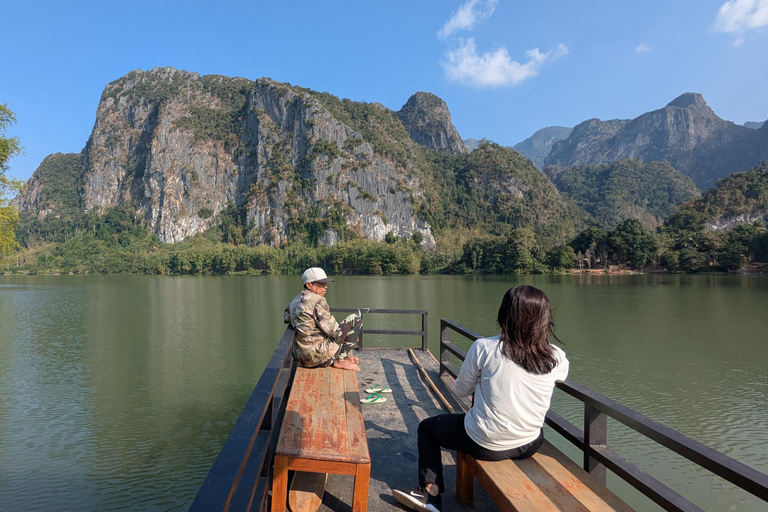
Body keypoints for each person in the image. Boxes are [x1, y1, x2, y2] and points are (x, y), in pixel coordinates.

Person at [393, 285, 569, 512]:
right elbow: (556, 378)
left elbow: (459, 390)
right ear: (544, 319)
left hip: (485, 443)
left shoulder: (485, 348)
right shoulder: (557, 356)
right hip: (529, 443)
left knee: (427, 428)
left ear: (505, 314)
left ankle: (430, 496)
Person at [284, 267, 362, 371]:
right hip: (318, 357)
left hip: (301, 358)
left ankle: (343, 357)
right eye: (321, 284)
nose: (325, 287)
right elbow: (334, 332)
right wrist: (349, 338)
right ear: (309, 285)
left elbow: (286, 318)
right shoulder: (318, 300)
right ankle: (341, 359)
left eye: (325, 284)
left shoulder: (295, 300)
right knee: (355, 319)